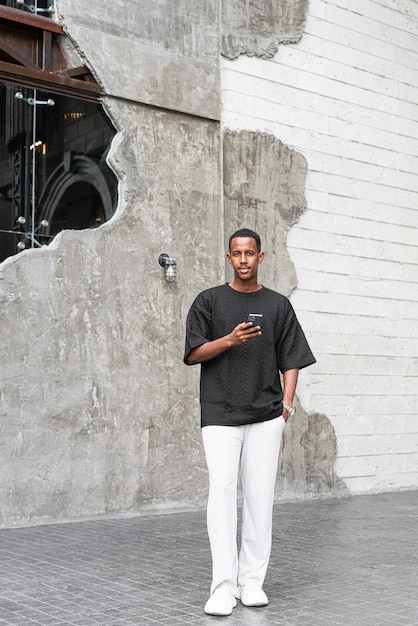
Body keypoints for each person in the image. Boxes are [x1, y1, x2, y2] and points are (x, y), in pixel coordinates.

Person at [184, 228, 316, 616]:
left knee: (259, 499)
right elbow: (193, 354)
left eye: (250, 253)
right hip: (221, 414)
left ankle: (251, 582)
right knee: (222, 493)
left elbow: (291, 357)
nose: (243, 260)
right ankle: (223, 587)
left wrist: (286, 405)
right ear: (229, 258)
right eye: (237, 254)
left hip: (265, 416)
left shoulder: (278, 305)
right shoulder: (208, 301)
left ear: (261, 257)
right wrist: (230, 340)